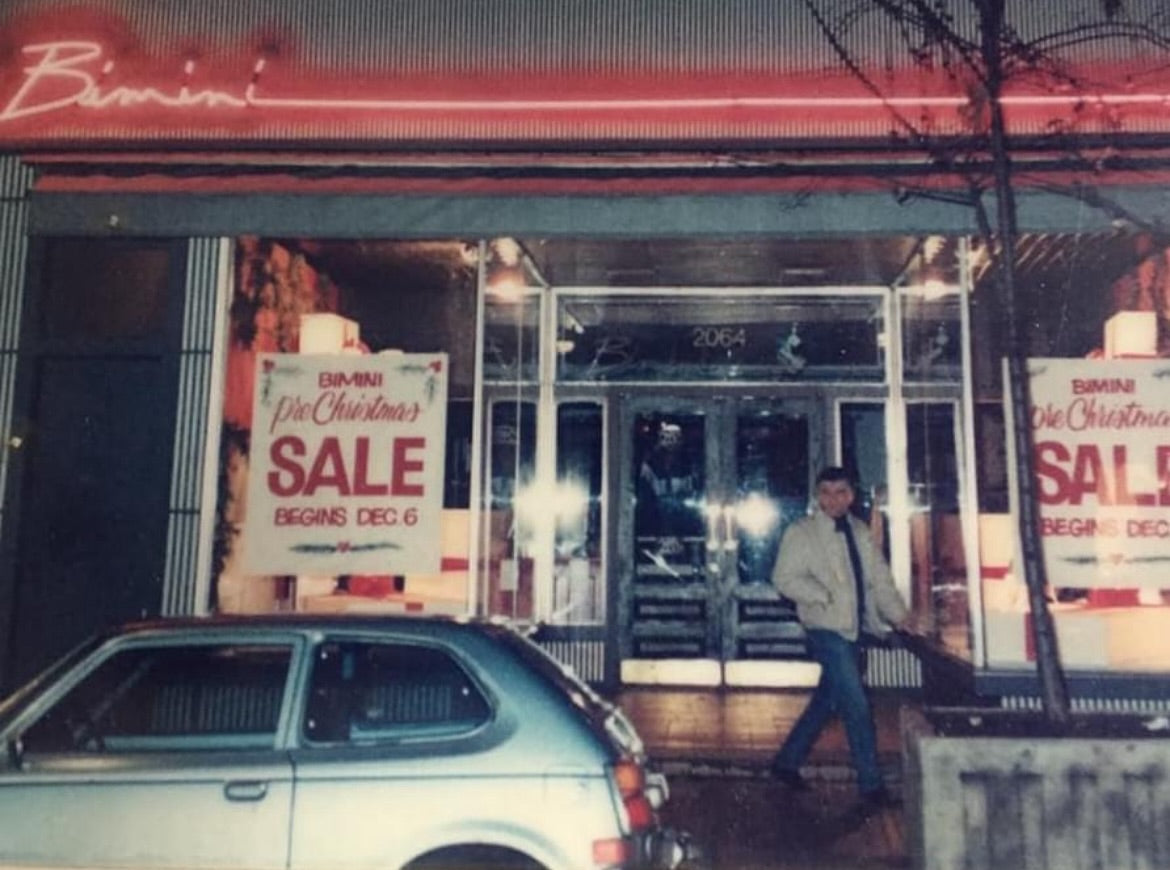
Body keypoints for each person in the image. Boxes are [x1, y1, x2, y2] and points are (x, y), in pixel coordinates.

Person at [769, 466, 917, 816]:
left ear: (851, 495)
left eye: (840, 492)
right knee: (856, 705)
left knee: (827, 701)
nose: (832, 500)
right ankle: (871, 786)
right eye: (825, 492)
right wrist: (821, 596)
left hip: (853, 629)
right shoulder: (802, 532)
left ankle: (786, 763)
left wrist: (899, 615)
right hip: (825, 629)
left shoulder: (860, 531)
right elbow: (783, 578)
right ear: (817, 496)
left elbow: (879, 579)